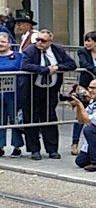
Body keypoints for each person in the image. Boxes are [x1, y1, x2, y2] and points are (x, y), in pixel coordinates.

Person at [20, 29, 77, 160]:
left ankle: (52, 149)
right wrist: (45, 70)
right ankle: (34, 150)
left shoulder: (57, 50)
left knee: (50, 118)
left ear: (50, 41)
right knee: (31, 119)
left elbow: (71, 64)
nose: (39, 43)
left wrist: (57, 67)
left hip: (50, 90)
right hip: (32, 90)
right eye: (38, 40)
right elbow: (25, 65)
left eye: (43, 41)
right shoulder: (30, 50)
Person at [0, 31, 24, 156]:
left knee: (15, 120)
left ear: (9, 44)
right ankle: (0, 146)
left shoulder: (18, 56)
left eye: (3, 41)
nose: (0, 44)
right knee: (0, 120)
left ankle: (17, 146)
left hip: (14, 94)